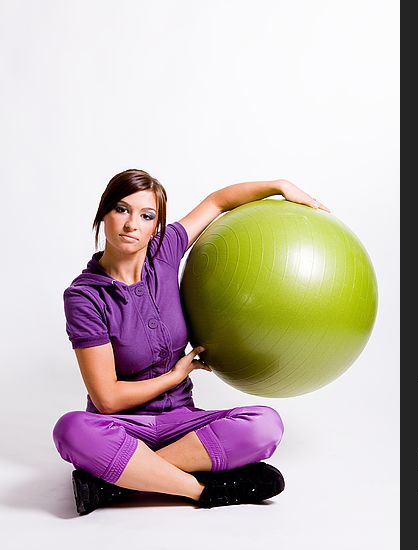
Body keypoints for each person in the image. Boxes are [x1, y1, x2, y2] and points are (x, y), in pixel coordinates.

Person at [52, 169, 329, 515]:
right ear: (103, 214)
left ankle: (115, 485)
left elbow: (218, 201)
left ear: (156, 225)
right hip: (123, 427)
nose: (131, 224)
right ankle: (198, 490)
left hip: (182, 423)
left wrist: (279, 186)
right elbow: (107, 399)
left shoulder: (164, 252)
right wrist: (174, 376)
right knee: (71, 430)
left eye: (146, 215)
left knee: (265, 425)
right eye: (121, 210)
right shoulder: (85, 296)